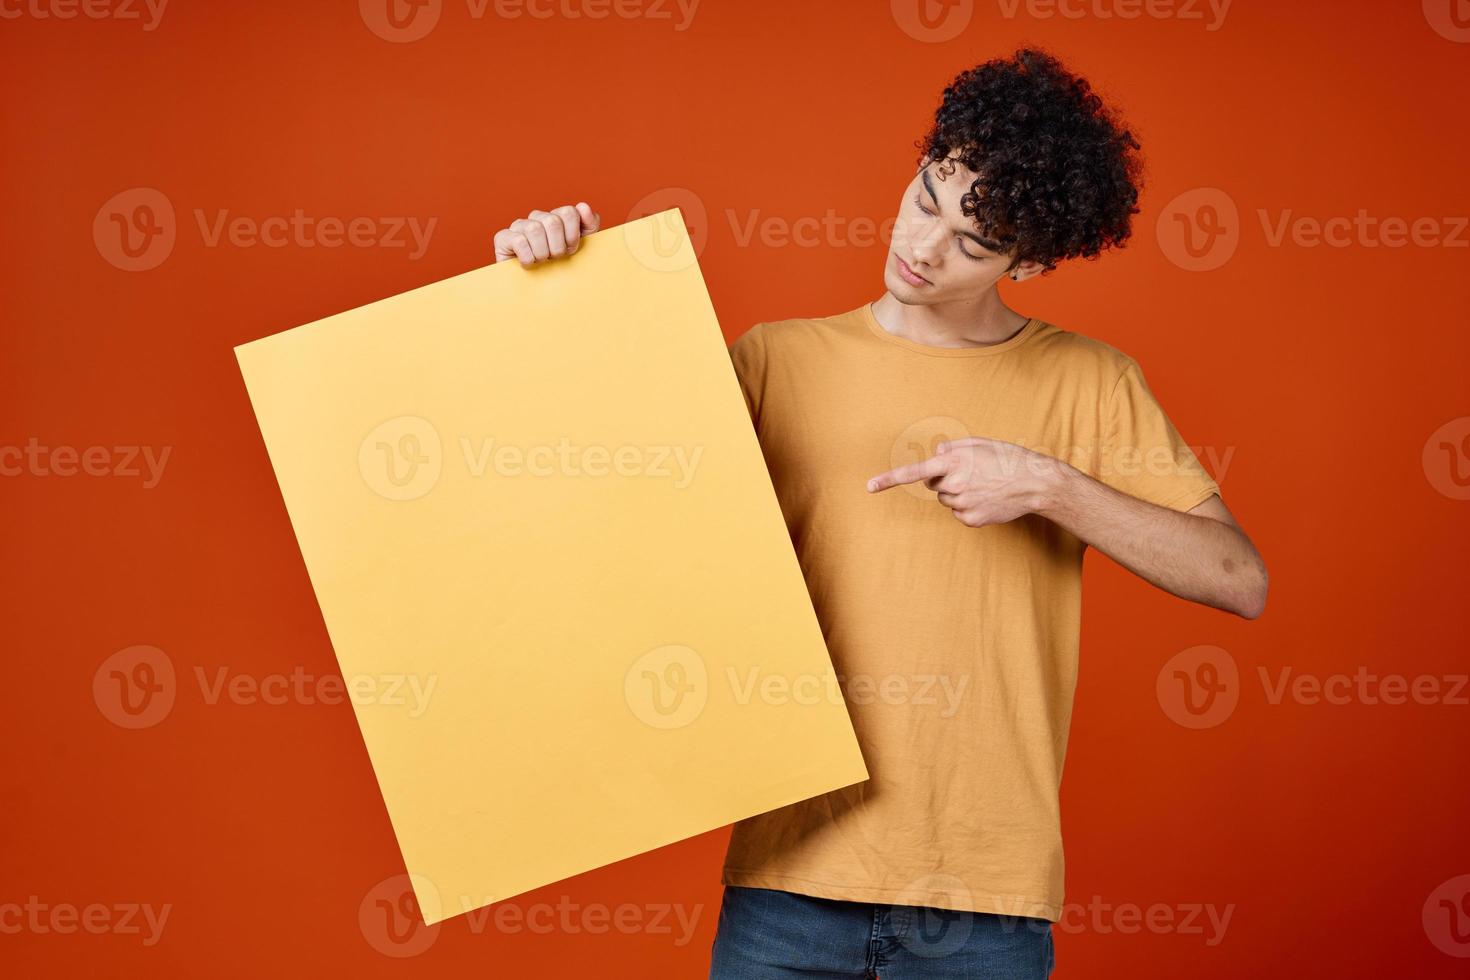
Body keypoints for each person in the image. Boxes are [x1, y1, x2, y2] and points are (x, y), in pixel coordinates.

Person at [491, 47, 1267, 980]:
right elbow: (598, 511)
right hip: (789, 883)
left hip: (988, 901)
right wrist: (547, 292)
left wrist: (1048, 486)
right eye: (926, 197)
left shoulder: (1091, 382)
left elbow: (1240, 580)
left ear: (1033, 258)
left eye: (974, 244)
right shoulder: (774, 361)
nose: (924, 246)